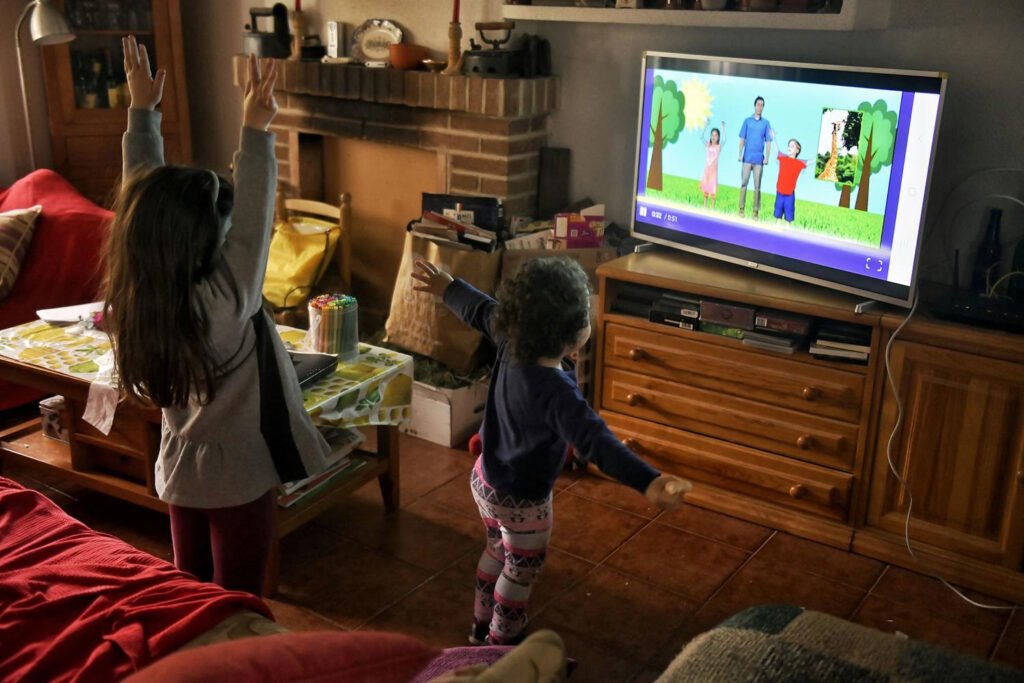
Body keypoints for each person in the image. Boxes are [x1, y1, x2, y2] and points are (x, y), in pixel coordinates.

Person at [102, 38, 332, 595]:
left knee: (189, 591)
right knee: (239, 600)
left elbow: (144, 203)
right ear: (210, 242)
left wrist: (141, 115)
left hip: (179, 468)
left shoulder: (141, 294)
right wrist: (255, 130)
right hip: (239, 476)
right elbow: (255, 220)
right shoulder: (227, 301)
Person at [411, 256, 691, 646]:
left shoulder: (511, 337)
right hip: (523, 500)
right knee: (521, 570)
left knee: (495, 548)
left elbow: (479, 310)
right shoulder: (555, 393)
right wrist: (650, 482)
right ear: (569, 336)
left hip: (485, 479)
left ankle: (479, 624)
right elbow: (597, 442)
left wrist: (447, 287)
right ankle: (500, 645)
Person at [737, 96, 773, 220]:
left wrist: (767, 157)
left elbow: (768, 142)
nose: (760, 106)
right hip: (747, 158)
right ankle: (741, 209)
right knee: (743, 184)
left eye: (762, 105)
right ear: (754, 105)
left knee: (757, 187)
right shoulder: (747, 121)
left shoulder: (766, 123)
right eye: (758, 104)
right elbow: (742, 138)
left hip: (759, 161)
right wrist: (740, 153)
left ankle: (755, 212)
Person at [772, 137, 808, 226]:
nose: (789, 147)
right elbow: (776, 150)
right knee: (778, 213)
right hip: (779, 191)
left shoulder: (799, 163)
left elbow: (812, 161)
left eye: (792, 146)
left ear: (797, 150)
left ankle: (788, 228)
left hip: (789, 193)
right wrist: (774, 137)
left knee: (789, 213)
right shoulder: (783, 158)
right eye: (789, 146)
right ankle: (777, 226)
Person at [700, 121, 725, 209]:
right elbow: (701, 137)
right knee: (705, 189)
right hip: (707, 171)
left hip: (713, 173)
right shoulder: (708, 145)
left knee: (713, 190)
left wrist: (723, 128)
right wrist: (705, 126)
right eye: (712, 135)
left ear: (718, 137)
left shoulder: (718, 147)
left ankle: (712, 207)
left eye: (716, 135)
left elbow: (724, 140)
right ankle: (704, 205)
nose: (714, 137)